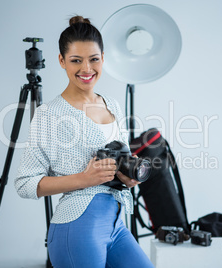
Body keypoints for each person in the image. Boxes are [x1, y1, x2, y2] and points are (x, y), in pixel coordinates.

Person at [14, 16, 154, 268]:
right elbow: (25, 184)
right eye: (76, 60)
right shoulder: (50, 114)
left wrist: (126, 178)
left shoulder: (112, 104)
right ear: (61, 61)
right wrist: (84, 178)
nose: (86, 69)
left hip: (116, 227)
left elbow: (120, 162)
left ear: (103, 57)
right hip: (76, 230)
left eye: (94, 59)